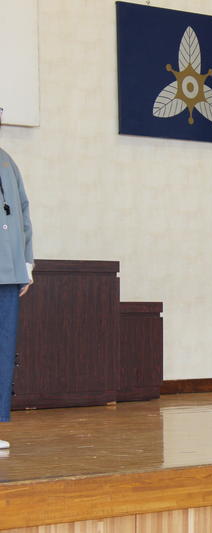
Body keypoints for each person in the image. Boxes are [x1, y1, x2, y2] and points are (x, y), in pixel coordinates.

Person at [0, 107, 35, 449]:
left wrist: (26, 262)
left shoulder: (7, 161)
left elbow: (22, 211)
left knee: (3, 350)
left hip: (8, 274)